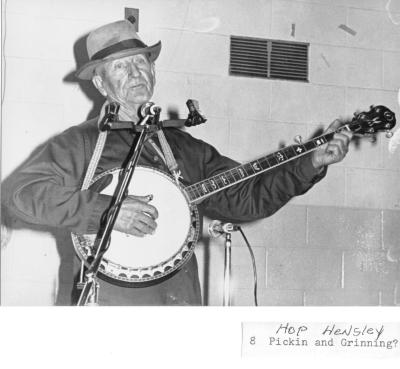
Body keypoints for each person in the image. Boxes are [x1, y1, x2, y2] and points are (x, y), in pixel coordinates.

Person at [2, 20, 352, 306]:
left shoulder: (184, 146)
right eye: (120, 67)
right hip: (106, 304)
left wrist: (309, 165)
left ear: (153, 71)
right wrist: (108, 212)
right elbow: (20, 194)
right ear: (100, 83)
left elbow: (246, 197)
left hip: (179, 300)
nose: (135, 73)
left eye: (141, 62)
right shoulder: (79, 143)